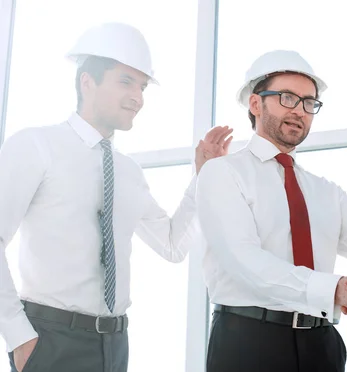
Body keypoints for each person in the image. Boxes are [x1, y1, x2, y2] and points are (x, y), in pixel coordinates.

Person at [0, 22, 232, 372]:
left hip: (115, 344)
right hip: (49, 341)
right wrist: (19, 337)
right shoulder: (35, 145)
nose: (137, 98)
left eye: (142, 87)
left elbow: (171, 245)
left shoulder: (128, 172)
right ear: (87, 82)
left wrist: (203, 177)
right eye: (125, 82)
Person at [196, 50, 347, 372]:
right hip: (250, 343)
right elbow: (244, 262)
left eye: (309, 103)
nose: (300, 111)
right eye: (287, 98)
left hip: (322, 344)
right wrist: (335, 289)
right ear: (256, 104)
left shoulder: (326, 191)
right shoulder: (223, 173)